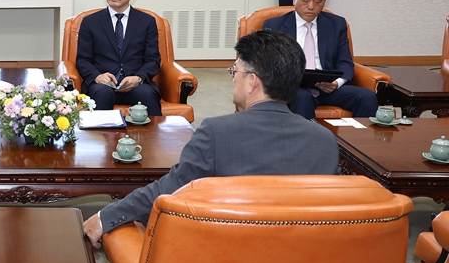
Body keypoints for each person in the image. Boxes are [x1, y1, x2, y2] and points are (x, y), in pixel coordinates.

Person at [83, 29, 339, 244]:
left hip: (227, 262)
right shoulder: (324, 140)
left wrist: (106, 217)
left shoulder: (217, 132)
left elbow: (169, 191)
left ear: (251, 82)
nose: (232, 79)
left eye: (234, 71)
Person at [263, 0, 378, 120]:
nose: (311, 6)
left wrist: (336, 83)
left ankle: (358, 142)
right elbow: (268, 64)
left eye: (318, 1)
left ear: (325, 1)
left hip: (326, 88)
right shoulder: (274, 26)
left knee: (367, 96)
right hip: (293, 88)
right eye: (305, 0)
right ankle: (308, 142)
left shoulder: (337, 24)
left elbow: (345, 61)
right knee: (302, 97)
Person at [76, 0, 162, 116]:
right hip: (103, 84)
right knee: (102, 93)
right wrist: (97, 76)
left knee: (147, 94)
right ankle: (99, 139)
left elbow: (152, 59)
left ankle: (155, 139)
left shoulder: (147, 21)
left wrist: (138, 78)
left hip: (135, 84)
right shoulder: (90, 22)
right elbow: (83, 59)